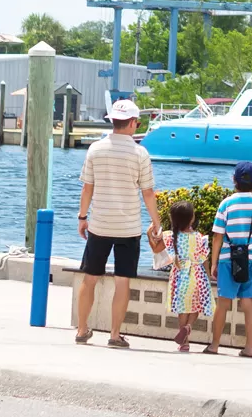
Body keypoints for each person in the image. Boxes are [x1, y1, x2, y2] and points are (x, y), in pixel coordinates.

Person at [74, 98, 164, 348]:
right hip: (128, 228)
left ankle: (82, 330)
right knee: (122, 280)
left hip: (99, 225)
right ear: (133, 123)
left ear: (112, 121)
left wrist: (83, 217)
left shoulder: (95, 149)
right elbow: (148, 193)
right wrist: (156, 222)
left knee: (90, 278)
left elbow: (87, 188)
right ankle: (114, 335)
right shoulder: (140, 153)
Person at [206, 161, 252, 357]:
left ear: (234, 180)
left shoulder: (226, 204)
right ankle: (250, 347)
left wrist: (213, 263)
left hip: (228, 259)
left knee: (223, 302)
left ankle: (214, 345)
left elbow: (217, 236)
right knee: (248, 303)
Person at [152, 197, 213, 351]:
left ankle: (185, 342)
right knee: (195, 307)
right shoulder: (199, 237)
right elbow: (204, 258)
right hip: (198, 275)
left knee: (182, 308)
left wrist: (149, 234)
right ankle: (188, 326)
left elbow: (156, 249)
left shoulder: (171, 236)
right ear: (192, 218)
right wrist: (208, 275)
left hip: (180, 276)